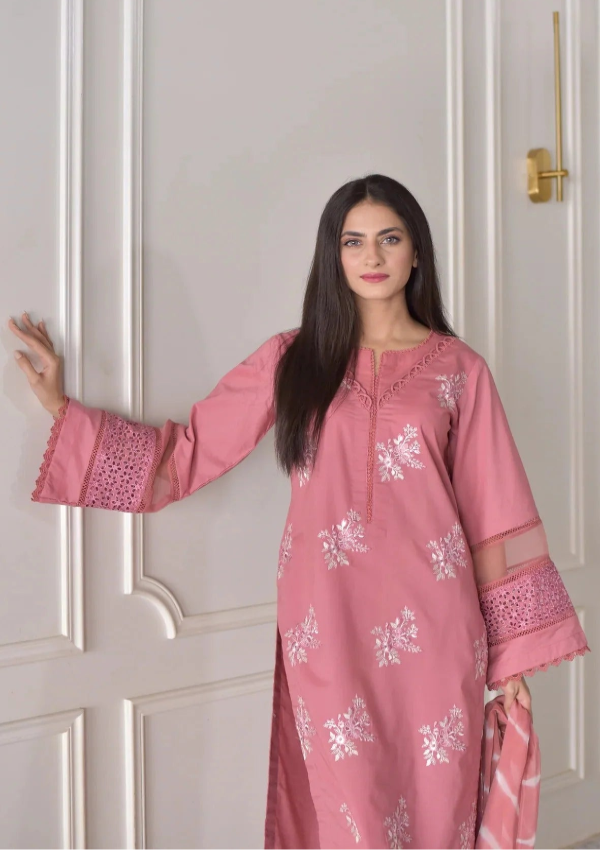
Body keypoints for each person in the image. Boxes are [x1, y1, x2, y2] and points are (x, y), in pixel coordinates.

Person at [9, 173, 590, 849]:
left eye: (389, 238)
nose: (371, 256)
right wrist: (61, 410)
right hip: (328, 626)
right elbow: (190, 453)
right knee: (349, 812)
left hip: (437, 628)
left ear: (416, 254)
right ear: (334, 256)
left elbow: (497, 510)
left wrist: (512, 657)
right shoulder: (294, 359)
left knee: (438, 805)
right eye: (353, 241)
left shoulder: (459, 370)